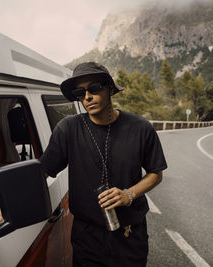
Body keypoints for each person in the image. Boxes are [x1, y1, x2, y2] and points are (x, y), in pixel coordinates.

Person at [39, 62, 167, 266]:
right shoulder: (68, 129)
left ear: (109, 88)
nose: (87, 97)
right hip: (87, 237)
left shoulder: (140, 128)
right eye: (80, 93)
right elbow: (43, 171)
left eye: (94, 88)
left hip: (130, 234)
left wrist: (128, 194)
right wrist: (7, 195)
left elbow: (156, 174)